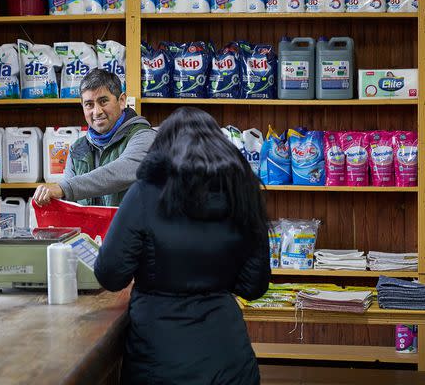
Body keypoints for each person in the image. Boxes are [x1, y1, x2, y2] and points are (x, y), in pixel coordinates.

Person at [93, 107, 270, 385]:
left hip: (158, 360)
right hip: (229, 360)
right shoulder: (242, 193)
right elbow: (253, 286)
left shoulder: (144, 193)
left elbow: (110, 274)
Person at [33, 69, 155, 207]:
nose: (96, 112)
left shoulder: (145, 137)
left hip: (134, 229)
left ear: (121, 101)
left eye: (103, 101)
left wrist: (64, 188)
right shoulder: (78, 148)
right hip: (88, 229)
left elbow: (121, 171)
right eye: (89, 104)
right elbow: (68, 204)